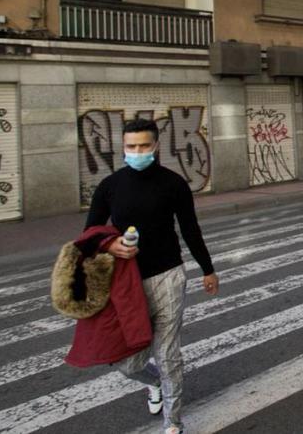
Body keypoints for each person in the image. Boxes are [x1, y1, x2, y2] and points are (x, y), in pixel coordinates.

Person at [86, 119, 219, 434]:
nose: (137, 152)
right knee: (126, 362)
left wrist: (207, 269)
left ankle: (172, 423)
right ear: (123, 147)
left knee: (168, 352)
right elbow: (90, 233)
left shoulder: (173, 184)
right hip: (127, 284)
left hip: (169, 275)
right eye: (131, 146)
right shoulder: (109, 187)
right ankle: (154, 382)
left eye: (144, 146)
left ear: (156, 146)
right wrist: (111, 244)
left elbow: (190, 229)